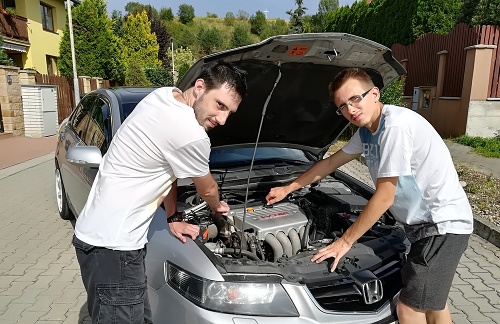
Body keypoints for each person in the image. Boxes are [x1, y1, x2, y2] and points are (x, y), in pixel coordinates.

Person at [266, 68, 472, 324]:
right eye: (342, 106)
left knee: (408, 309)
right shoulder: (366, 131)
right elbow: (330, 163)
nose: (350, 109)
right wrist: (288, 188)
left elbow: (385, 196)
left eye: (356, 99)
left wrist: (345, 241)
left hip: (441, 225)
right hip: (423, 226)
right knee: (432, 304)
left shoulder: (394, 126)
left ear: (374, 93)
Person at [73, 60, 247, 324]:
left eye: (230, 112)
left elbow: (169, 167)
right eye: (219, 105)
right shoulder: (190, 133)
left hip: (105, 243)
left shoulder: (164, 95)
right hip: (113, 248)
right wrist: (218, 209)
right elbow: (208, 188)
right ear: (200, 87)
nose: (222, 119)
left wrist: (173, 215)